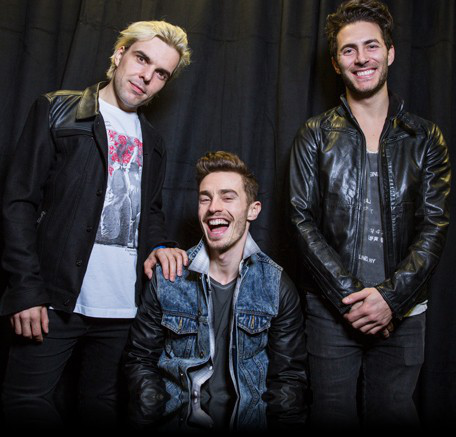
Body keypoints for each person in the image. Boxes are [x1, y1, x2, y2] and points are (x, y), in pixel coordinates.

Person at [1, 20, 191, 429]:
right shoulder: (57, 109)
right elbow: (18, 202)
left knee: (101, 404)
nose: (147, 76)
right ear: (120, 54)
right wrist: (25, 288)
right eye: (142, 59)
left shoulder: (153, 141)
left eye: (161, 73)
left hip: (123, 307)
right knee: (26, 401)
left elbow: (150, 212)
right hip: (54, 298)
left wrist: (160, 245)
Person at [289, 0, 450, 430]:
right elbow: (301, 220)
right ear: (336, 62)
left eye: (371, 46)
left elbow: (434, 225)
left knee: (394, 413)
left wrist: (391, 300)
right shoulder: (315, 134)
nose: (362, 58)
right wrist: (352, 298)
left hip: (405, 311)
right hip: (331, 310)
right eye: (349, 50)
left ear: (390, 52)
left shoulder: (426, 137)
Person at [123, 151, 308, 432]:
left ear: (253, 210)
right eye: (205, 198)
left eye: (227, 197)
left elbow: (288, 382)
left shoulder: (276, 285)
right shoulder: (168, 277)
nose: (213, 208)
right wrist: (151, 409)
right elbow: (139, 360)